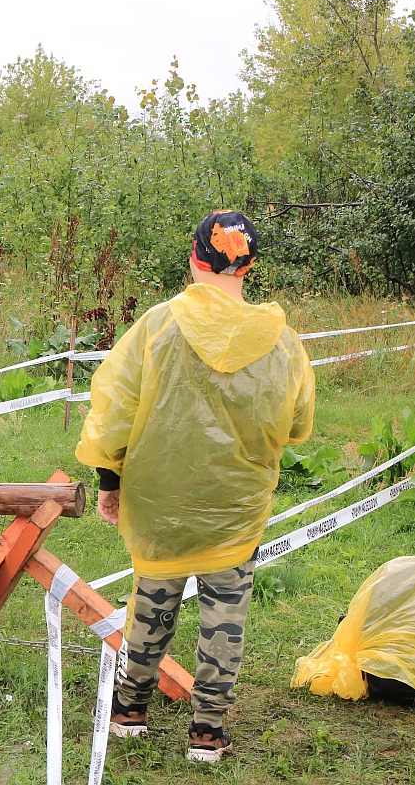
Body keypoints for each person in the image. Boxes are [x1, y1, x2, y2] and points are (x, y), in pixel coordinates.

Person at [76, 210, 315, 763]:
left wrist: (109, 480)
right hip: (237, 501)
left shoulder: (157, 326)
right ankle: (207, 730)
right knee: (225, 611)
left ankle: (130, 709)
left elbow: (115, 411)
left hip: (159, 496)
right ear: (249, 265)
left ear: (193, 256)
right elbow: (298, 424)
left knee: (152, 598)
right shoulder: (282, 343)